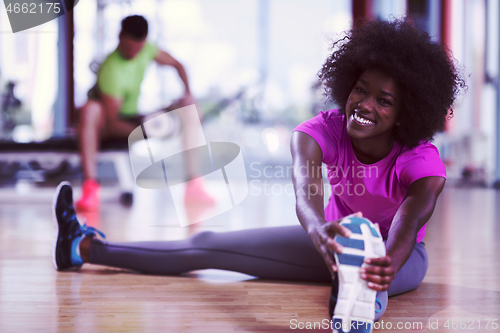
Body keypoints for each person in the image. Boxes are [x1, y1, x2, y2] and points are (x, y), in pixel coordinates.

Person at [53, 18, 464, 331]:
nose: (365, 103)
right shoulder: (320, 131)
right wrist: (320, 231)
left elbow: (411, 221)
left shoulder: (420, 160)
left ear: (406, 113)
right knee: (207, 243)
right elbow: (307, 192)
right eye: (360, 88)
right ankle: (83, 247)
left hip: (400, 257)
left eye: (384, 100)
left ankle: (359, 299)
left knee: (366, 271)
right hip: (331, 237)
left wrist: (388, 263)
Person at [77, 15, 198, 210]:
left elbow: (178, 65)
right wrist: (147, 132)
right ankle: (90, 186)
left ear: (144, 43)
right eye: (128, 48)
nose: (133, 53)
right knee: (91, 110)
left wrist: (188, 94)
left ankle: (194, 184)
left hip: (135, 116)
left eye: (137, 48)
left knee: (188, 108)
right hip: (112, 123)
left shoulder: (148, 49)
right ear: (119, 37)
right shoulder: (111, 69)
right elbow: (113, 121)